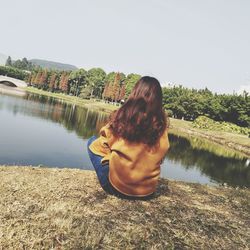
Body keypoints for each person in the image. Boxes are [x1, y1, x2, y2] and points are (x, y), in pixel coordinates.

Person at [87, 76, 170, 199]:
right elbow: (161, 157)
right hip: (147, 192)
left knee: (91, 141)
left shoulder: (124, 117)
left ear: (135, 94)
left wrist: (111, 155)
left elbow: (104, 140)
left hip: (116, 187)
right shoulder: (161, 126)